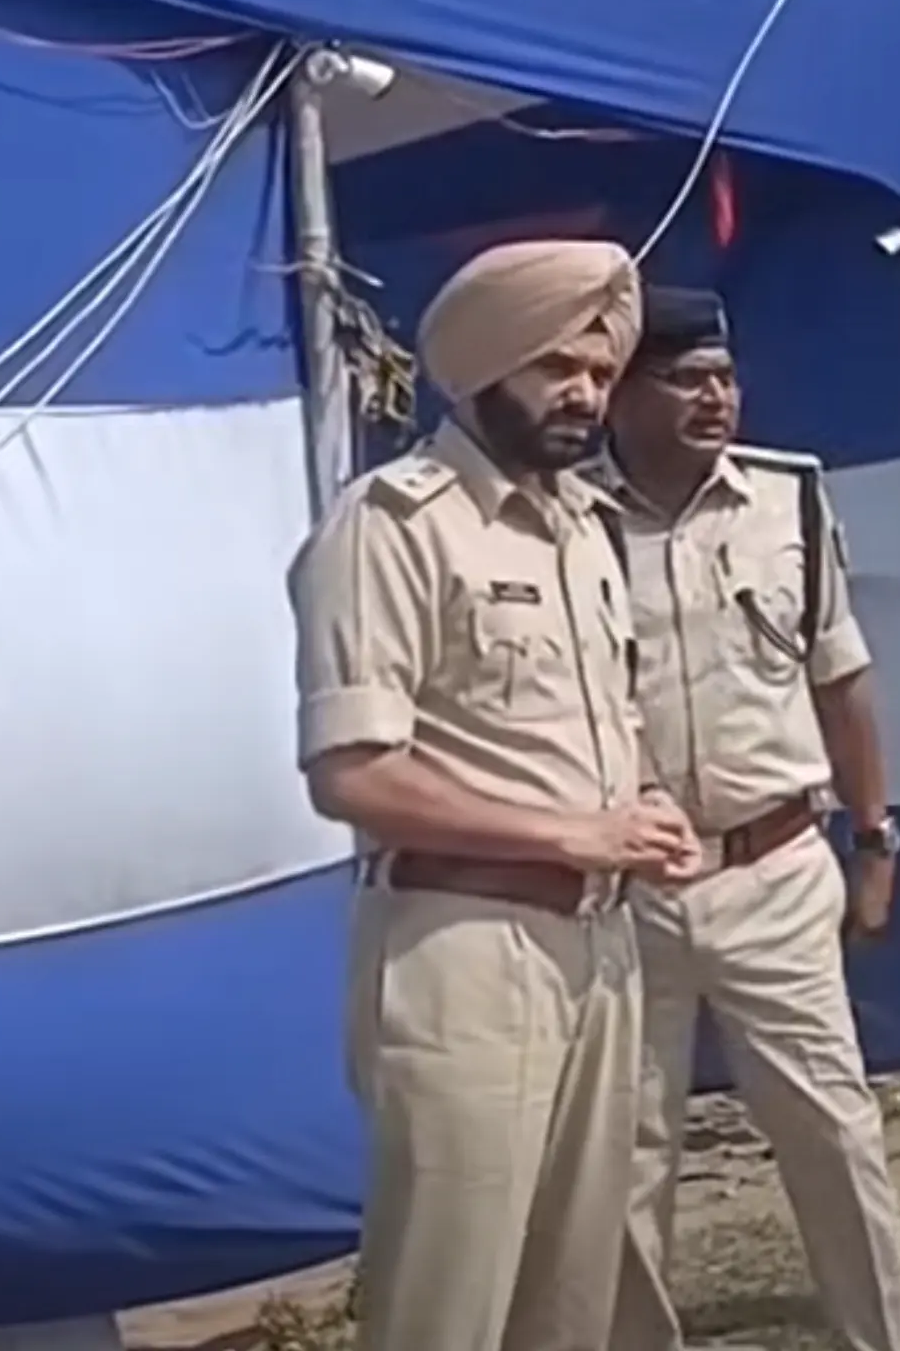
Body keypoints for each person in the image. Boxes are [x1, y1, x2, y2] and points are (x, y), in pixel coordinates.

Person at [286, 240, 703, 1351]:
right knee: (449, 1299)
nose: (584, 394)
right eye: (555, 366)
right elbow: (355, 774)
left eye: (601, 373)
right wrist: (572, 829)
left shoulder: (585, 530)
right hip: (462, 947)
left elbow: (592, 731)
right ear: (481, 367)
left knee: (573, 1295)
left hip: (598, 946)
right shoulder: (392, 525)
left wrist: (640, 810)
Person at [592, 287, 900, 1351]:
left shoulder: (789, 500)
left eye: (724, 377)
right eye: (686, 379)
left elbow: (844, 680)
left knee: (833, 1132)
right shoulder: (563, 518)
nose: (715, 397)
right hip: (625, 891)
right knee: (625, 1157)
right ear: (622, 394)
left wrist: (874, 837)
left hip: (775, 866)